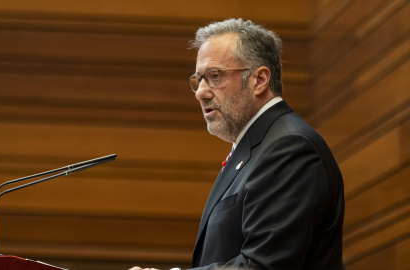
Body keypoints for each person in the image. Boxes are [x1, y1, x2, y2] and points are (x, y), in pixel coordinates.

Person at [131, 18, 345, 270]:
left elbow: (265, 265)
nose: (201, 92)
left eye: (214, 76)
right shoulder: (257, 147)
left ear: (260, 80)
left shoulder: (289, 147)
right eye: (199, 79)